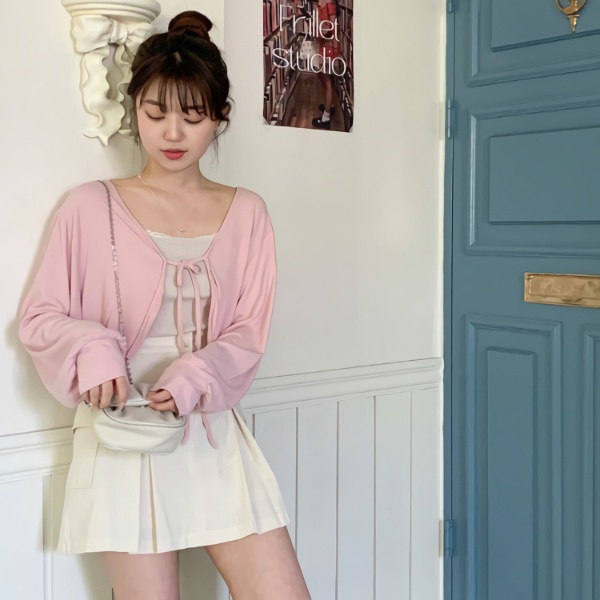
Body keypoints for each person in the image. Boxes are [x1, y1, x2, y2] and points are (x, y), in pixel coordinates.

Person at [18, 10, 311, 600]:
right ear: (135, 110)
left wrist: (195, 374)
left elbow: (248, 331)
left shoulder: (247, 213)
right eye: (156, 114)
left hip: (211, 431)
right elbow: (40, 317)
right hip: (122, 432)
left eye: (193, 116)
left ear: (219, 117)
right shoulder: (89, 206)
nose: (173, 134)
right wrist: (93, 349)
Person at [312, 0, 341, 130]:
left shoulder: (329, 2)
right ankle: (329, 106)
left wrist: (319, 30)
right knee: (322, 75)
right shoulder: (322, 2)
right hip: (323, 44)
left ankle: (326, 117)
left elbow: (331, 26)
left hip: (328, 46)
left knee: (326, 79)